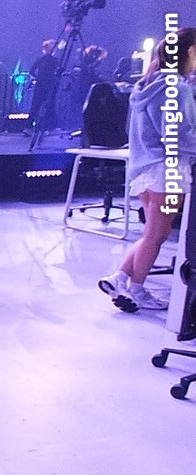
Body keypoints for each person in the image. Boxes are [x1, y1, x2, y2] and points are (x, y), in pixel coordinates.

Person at [99, 29, 196, 312]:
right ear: (190, 51)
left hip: (145, 168)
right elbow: (177, 136)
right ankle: (137, 290)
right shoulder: (176, 87)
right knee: (156, 236)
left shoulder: (147, 84)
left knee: (151, 233)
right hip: (168, 170)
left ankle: (119, 277)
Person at [29, 39, 60, 131]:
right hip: (49, 85)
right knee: (49, 105)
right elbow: (56, 72)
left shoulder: (40, 60)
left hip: (40, 84)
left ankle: (29, 126)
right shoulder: (54, 61)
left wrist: (38, 78)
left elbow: (31, 71)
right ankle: (50, 126)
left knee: (35, 105)